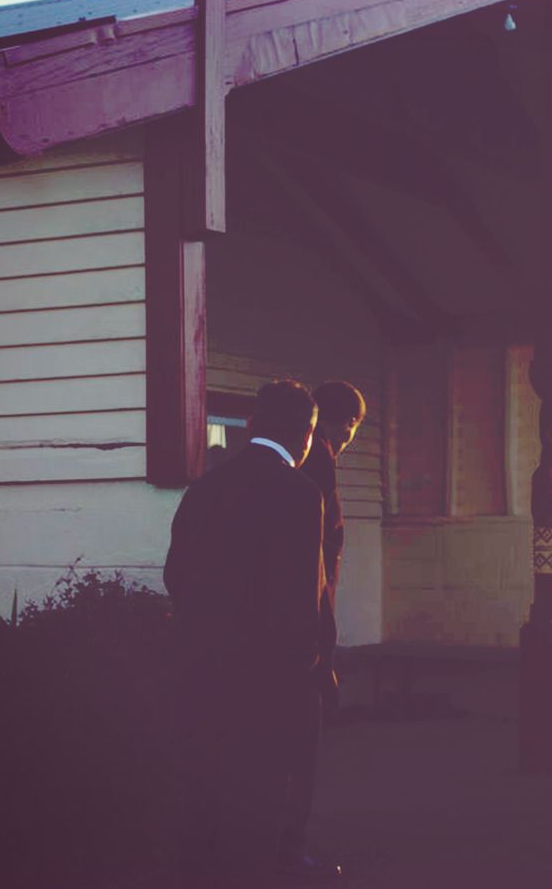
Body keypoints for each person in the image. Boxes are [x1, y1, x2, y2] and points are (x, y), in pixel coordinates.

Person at [163, 379, 340, 885]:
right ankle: (276, 866)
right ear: (307, 435)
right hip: (274, 673)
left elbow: (176, 573)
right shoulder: (301, 494)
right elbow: (303, 597)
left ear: (252, 425)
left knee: (209, 779)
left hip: (205, 664)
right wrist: (309, 667)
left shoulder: (206, 487)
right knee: (276, 783)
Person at [277, 380, 365, 878]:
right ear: (343, 423)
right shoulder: (318, 465)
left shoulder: (294, 466)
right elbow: (316, 566)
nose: (351, 437)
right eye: (352, 426)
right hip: (305, 631)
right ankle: (289, 853)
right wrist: (325, 653)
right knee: (299, 748)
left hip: (280, 630)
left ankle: (274, 845)